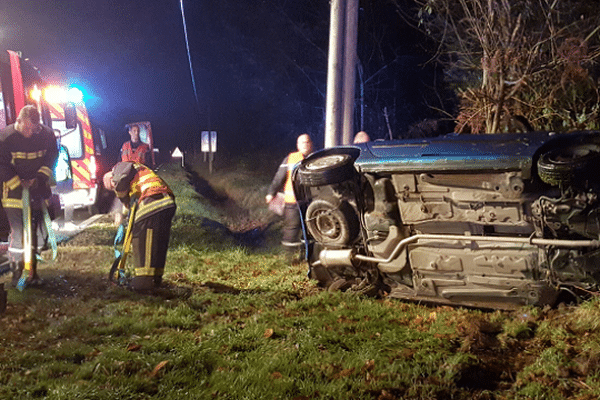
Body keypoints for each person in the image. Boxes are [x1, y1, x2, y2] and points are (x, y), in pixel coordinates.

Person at [0, 105, 58, 287]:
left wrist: (39, 179)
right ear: (19, 122)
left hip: (36, 190)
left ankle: (32, 273)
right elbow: (2, 165)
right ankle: (18, 274)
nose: (30, 133)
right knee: (19, 233)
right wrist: (18, 183)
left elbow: (51, 157)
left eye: (34, 129)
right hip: (13, 193)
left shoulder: (46, 135)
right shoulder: (6, 137)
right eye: (27, 129)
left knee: (33, 233)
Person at [103, 161, 176, 291]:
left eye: (111, 184)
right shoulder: (139, 170)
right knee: (159, 243)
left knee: (141, 240)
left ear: (110, 176)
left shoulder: (118, 169)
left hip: (151, 202)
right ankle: (156, 279)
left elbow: (120, 181)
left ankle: (143, 282)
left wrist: (121, 195)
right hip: (167, 202)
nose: (113, 186)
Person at [266, 134, 313, 262]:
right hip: (292, 203)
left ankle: (307, 257)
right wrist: (271, 192)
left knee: (310, 230)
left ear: (311, 144)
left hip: (310, 203)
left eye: (307, 142)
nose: (305, 144)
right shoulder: (290, 159)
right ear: (298, 145)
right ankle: (288, 258)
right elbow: (279, 177)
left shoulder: (316, 159)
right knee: (291, 230)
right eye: (302, 142)